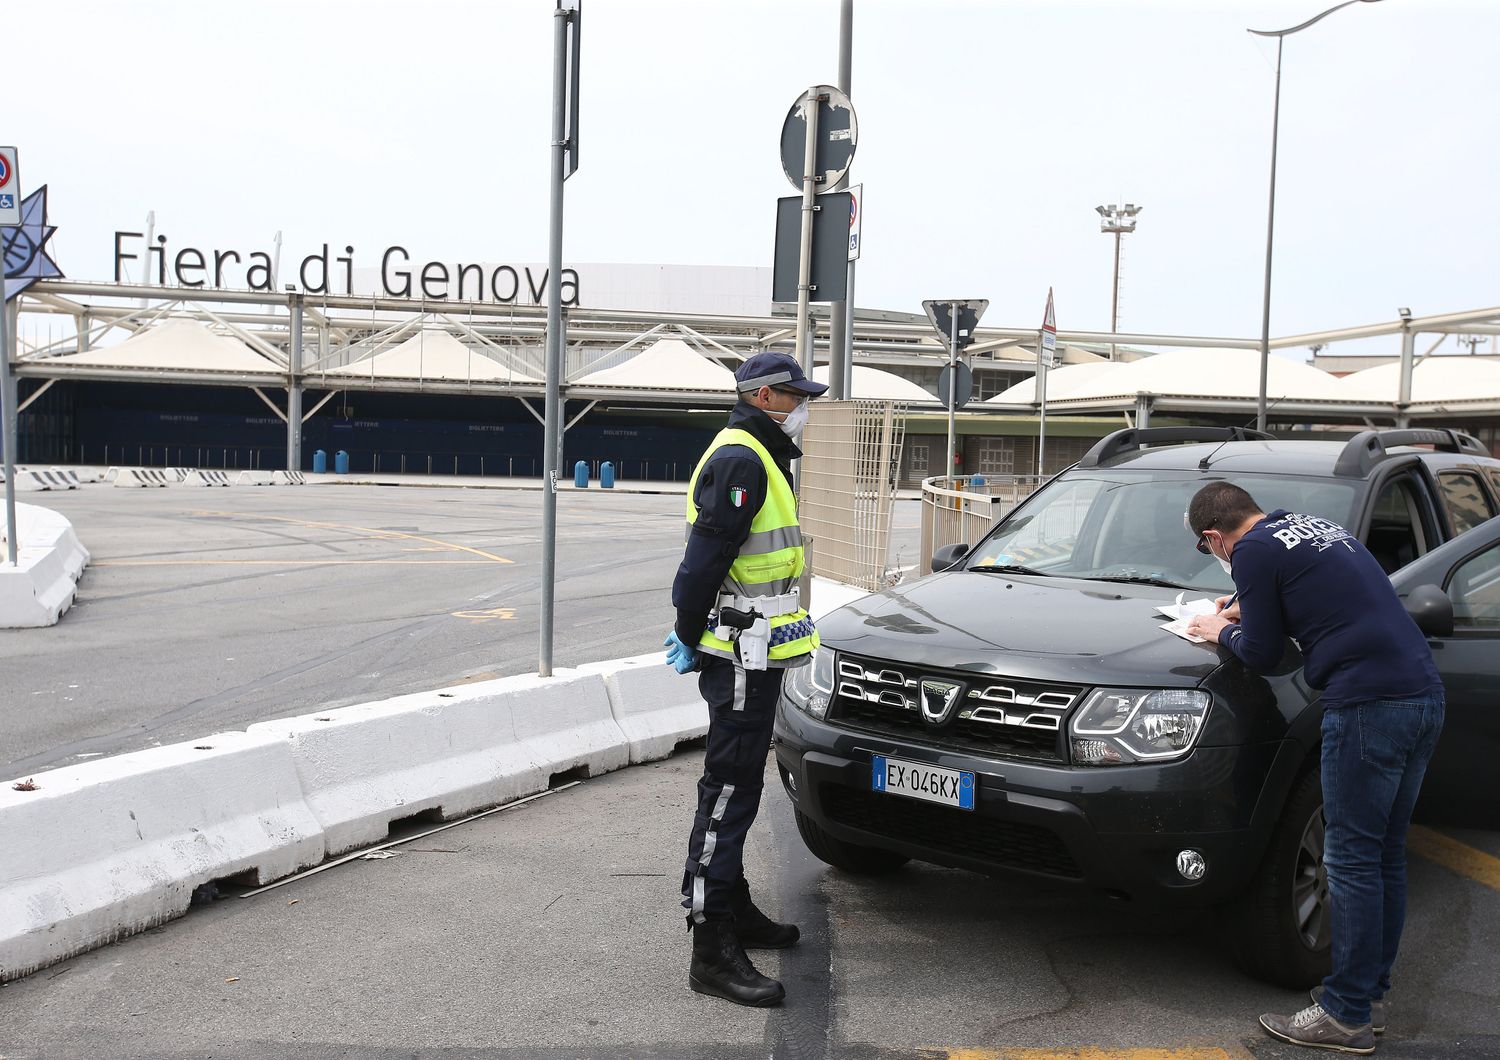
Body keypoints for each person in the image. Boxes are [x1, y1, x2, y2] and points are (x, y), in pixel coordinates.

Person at [1184, 482, 1444, 1055]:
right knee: (1382, 857)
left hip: (1368, 706)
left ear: (1214, 538)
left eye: (1211, 552)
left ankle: (1344, 1014)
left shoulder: (1249, 551)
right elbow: (1317, 596)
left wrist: (1218, 628)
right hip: (1421, 696)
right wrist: (1250, 608)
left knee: (1348, 860)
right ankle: (1368, 1000)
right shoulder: (1312, 527)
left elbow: (1261, 653)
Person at [663, 351, 826, 1007]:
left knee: (738, 789)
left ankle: (736, 909)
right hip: (737, 658)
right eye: (795, 396)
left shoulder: (759, 454)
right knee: (727, 797)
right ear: (763, 397)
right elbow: (703, 562)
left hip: (753, 656)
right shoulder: (741, 459)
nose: (802, 407)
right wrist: (685, 629)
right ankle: (711, 947)